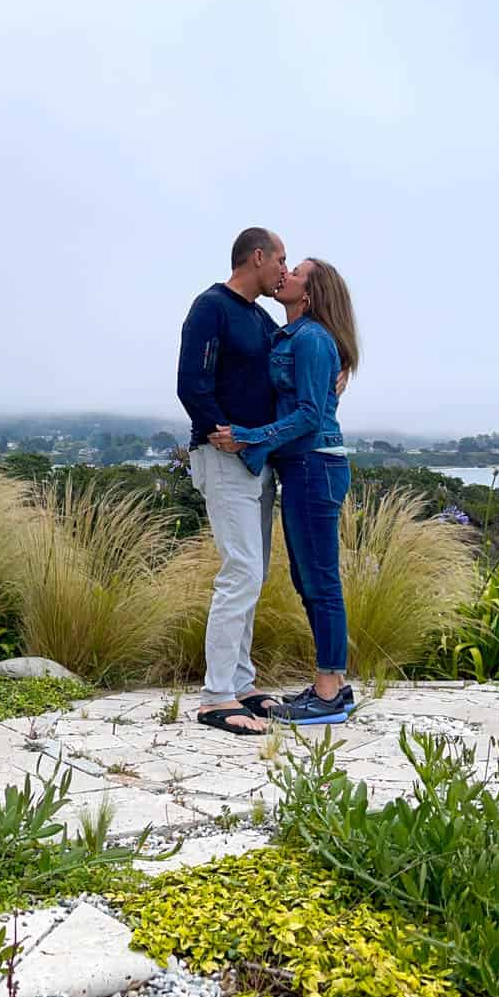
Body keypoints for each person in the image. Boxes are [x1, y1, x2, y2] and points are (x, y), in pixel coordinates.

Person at [210, 257, 359, 725]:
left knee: (320, 582)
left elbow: (311, 415)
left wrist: (248, 437)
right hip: (301, 468)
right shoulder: (291, 335)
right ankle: (331, 686)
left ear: (310, 294)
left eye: (295, 273)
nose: (285, 275)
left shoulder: (312, 339)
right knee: (307, 579)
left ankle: (330, 690)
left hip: (315, 466)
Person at [177, 227, 286, 735]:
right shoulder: (211, 307)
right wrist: (224, 431)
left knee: (254, 571)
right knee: (241, 569)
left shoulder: (261, 318)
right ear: (257, 257)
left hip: (258, 461)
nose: (283, 271)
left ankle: (241, 683)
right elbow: (191, 382)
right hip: (223, 458)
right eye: (279, 260)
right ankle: (215, 696)